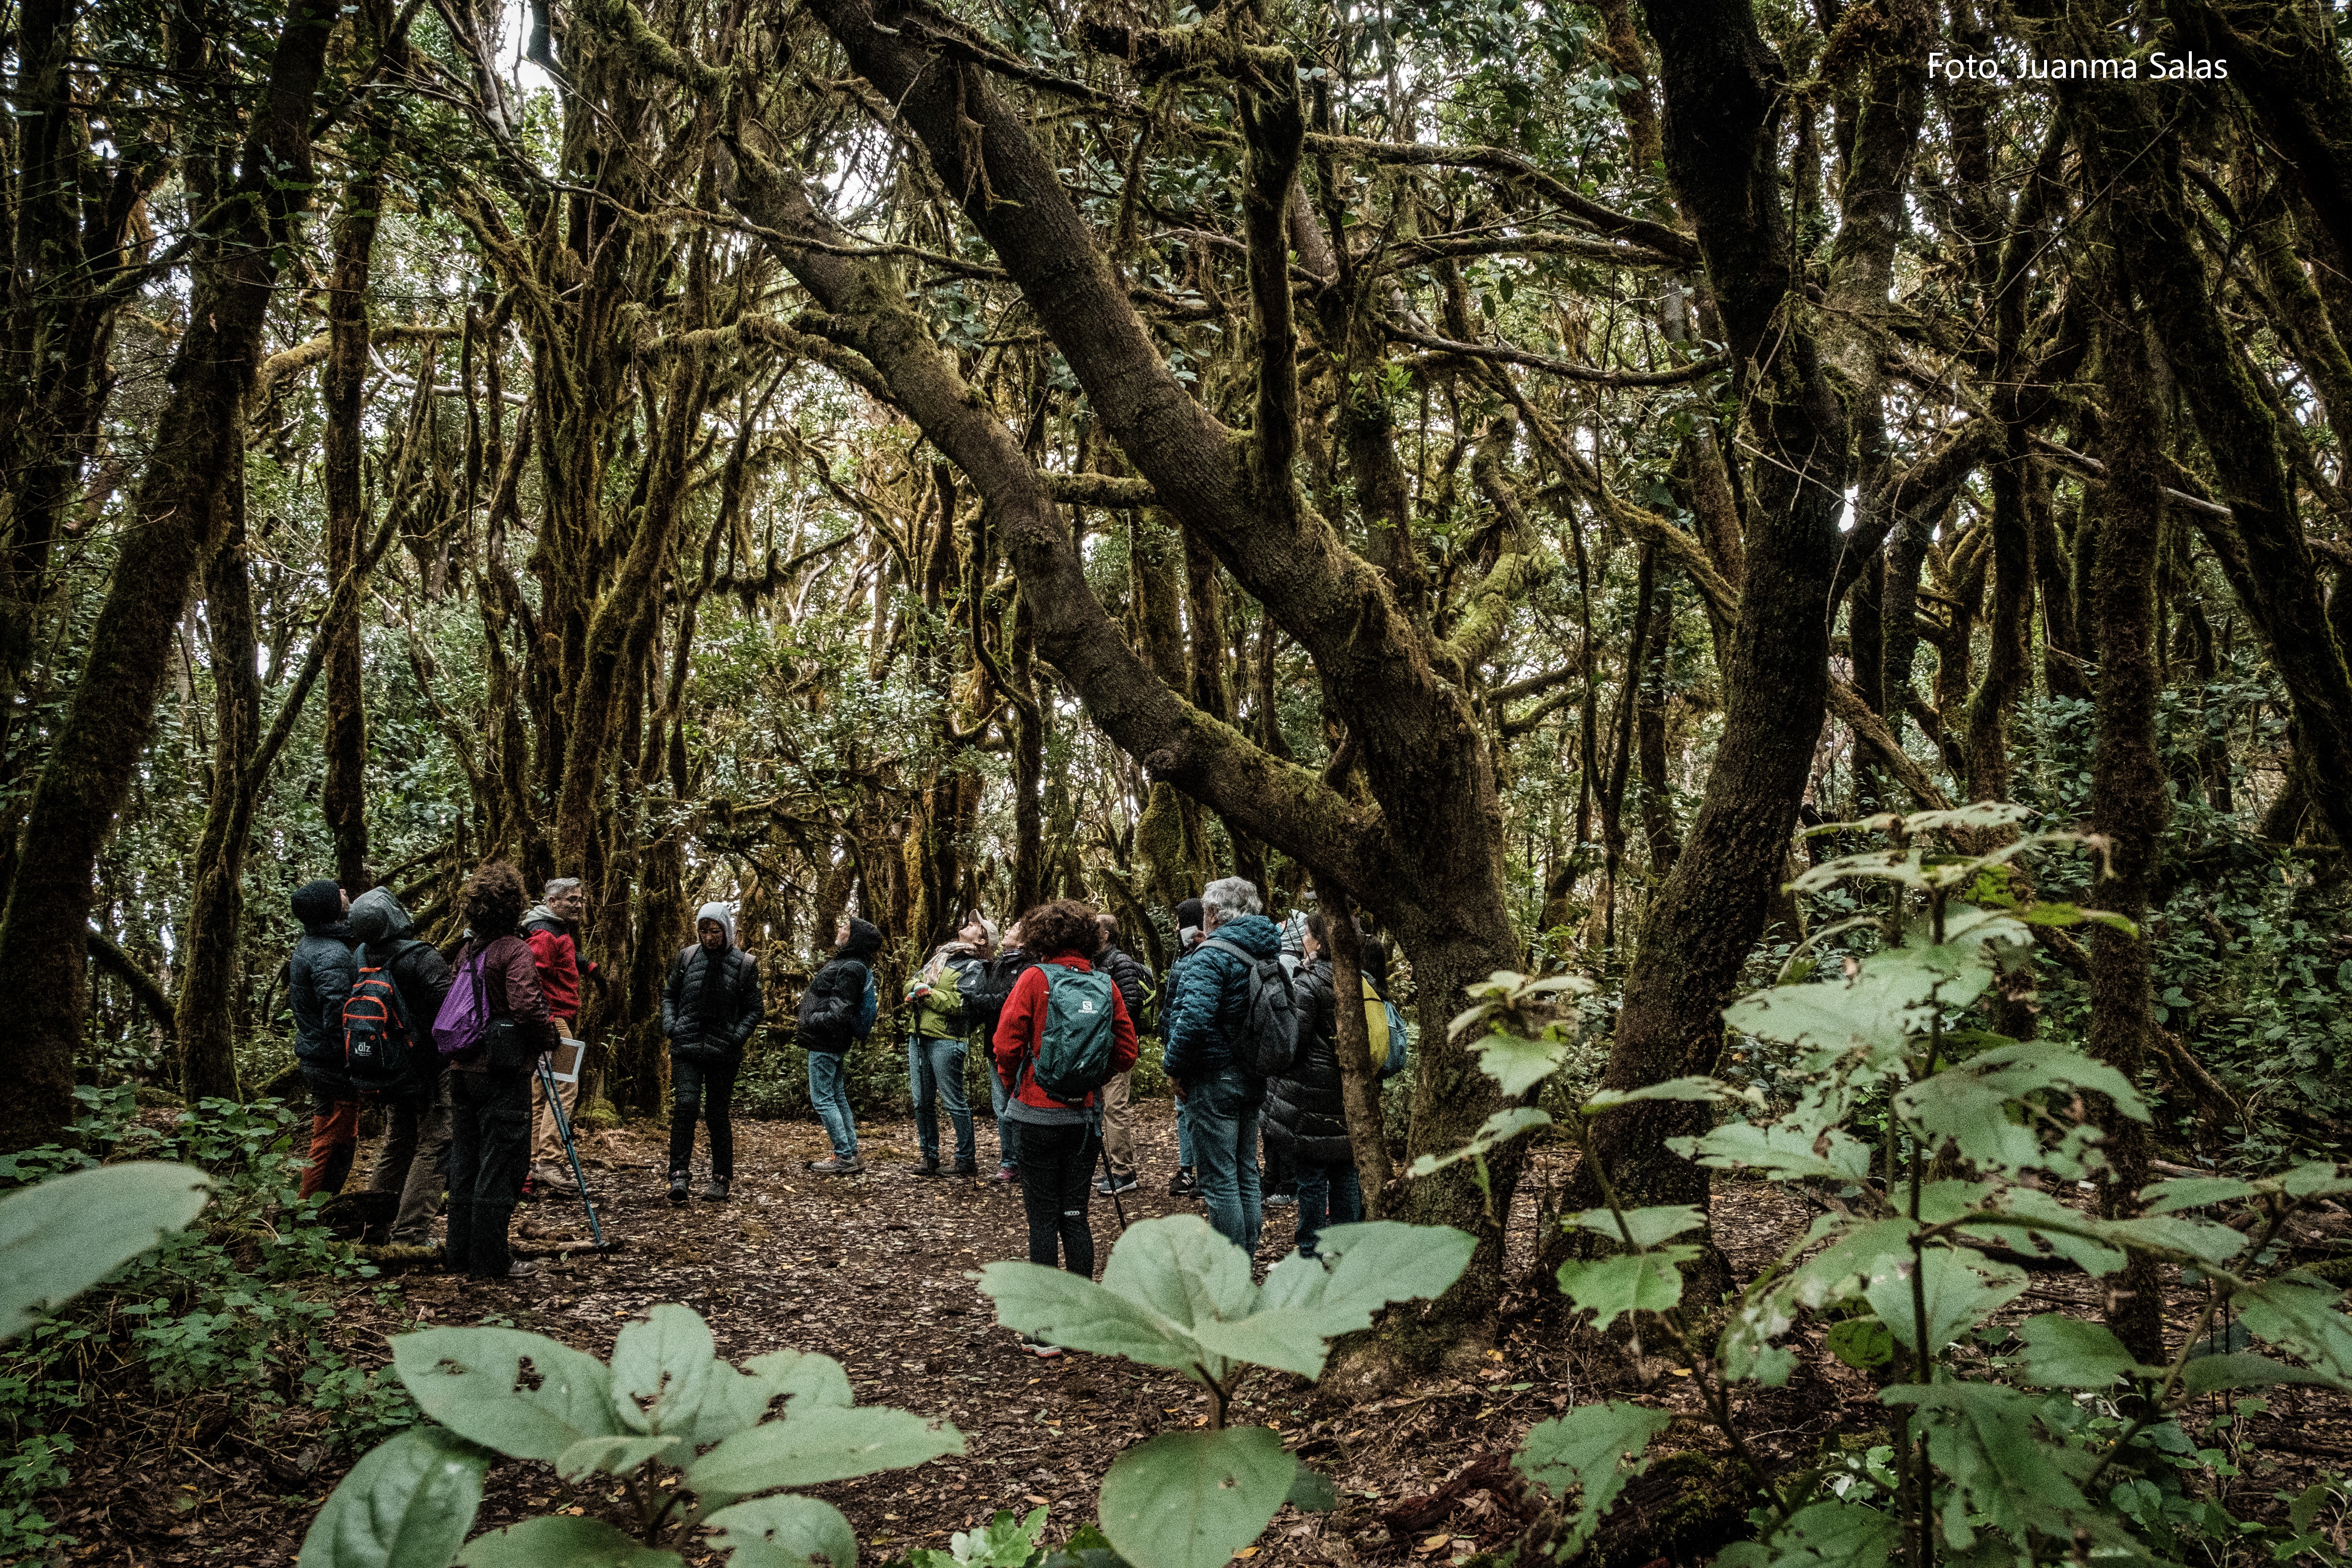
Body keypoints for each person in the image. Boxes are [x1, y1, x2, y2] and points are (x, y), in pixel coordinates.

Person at [991, 899, 1138, 1353]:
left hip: (1035, 1114)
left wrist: (1016, 1083)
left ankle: (1042, 1329)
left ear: (1042, 937)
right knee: (1075, 1215)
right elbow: (1127, 1051)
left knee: (1042, 1220)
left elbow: (1006, 1043)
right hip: (1083, 1119)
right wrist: (1091, 1081)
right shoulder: (1105, 983)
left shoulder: (1034, 979)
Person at [442, 861, 562, 1280]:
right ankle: (491, 1260)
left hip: (462, 1068)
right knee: (502, 1162)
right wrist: (548, 1036)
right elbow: (526, 1005)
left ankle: (459, 1254)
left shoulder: (467, 950)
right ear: (514, 906)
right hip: (501, 1070)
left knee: (466, 1160)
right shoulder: (513, 949)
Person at [1162, 877, 1283, 1257]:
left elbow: (1193, 1019)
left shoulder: (1211, 955)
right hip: (1253, 1074)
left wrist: (1174, 1068)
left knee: (1219, 1180)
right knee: (1246, 1170)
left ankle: (1232, 1268)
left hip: (1215, 1078)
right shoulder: (1264, 951)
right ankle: (1246, 1258)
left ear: (1213, 913)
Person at [348, 888, 455, 1246]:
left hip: (387, 1067)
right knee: (437, 1143)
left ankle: (373, 1230)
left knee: (397, 1144)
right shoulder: (421, 957)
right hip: (428, 1068)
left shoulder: (360, 956)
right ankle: (411, 1234)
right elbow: (451, 1013)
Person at [1262, 913, 1361, 1258]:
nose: (1302, 938)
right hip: (1350, 1094)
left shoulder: (1310, 983)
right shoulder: (1361, 980)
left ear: (1319, 941)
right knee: (1345, 1172)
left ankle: (1310, 1251)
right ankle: (1346, 1250)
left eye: (1306, 933)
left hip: (1311, 1097)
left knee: (1313, 1178)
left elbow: (1294, 1042)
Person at [662, 902, 764, 1203]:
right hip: (686, 1046)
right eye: (704, 931)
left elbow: (755, 1009)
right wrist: (672, 1026)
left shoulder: (745, 964)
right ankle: (678, 1177)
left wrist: (736, 1037)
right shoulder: (687, 957)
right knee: (686, 1107)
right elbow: (670, 996)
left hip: (724, 1052)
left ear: (726, 930)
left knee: (717, 1114)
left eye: (715, 931)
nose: (709, 937)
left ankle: (721, 1178)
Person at [522, 878, 596, 1198]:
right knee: (567, 1087)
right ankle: (549, 1162)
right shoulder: (546, 934)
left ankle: (533, 1165)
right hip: (554, 1024)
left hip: (550, 1022)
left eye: (580, 899)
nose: (578, 905)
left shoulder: (552, 930)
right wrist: (547, 1021)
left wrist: (589, 967)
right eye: (571, 900)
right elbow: (531, 976)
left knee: (541, 1093)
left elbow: (562, 957)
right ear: (552, 902)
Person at [905, 915, 994, 1177]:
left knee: (953, 1101)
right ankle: (929, 1157)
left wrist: (927, 993)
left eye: (977, 925)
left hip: (948, 1038)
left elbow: (962, 1004)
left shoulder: (975, 967)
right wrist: (919, 988)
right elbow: (910, 983)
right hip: (919, 1035)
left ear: (982, 940)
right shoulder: (940, 957)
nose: (971, 923)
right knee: (921, 1101)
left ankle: (966, 1161)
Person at [289, 878, 360, 1200]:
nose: (345, 893)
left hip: (321, 1058)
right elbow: (338, 1014)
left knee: (341, 1139)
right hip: (330, 1063)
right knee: (330, 1141)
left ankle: (322, 1209)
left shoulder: (316, 944)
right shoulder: (330, 953)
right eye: (338, 893)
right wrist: (354, 1057)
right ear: (329, 908)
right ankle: (305, 1215)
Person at [796, 915, 880, 1174]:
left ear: (854, 937)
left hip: (825, 1041)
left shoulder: (851, 967)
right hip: (831, 1040)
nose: (840, 928)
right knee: (837, 1097)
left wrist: (810, 1019)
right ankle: (850, 1152)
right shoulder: (850, 964)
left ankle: (844, 1156)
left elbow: (840, 1012)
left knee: (822, 1099)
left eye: (846, 927)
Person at [960, 922, 1034, 1184]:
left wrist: (974, 1000)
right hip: (996, 1044)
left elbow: (1007, 1000)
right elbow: (989, 997)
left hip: (1023, 1046)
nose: (1007, 931)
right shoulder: (999, 964)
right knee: (1002, 1106)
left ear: (1023, 941)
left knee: (1023, 1103)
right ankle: (1010, 1162)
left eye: (1014, 929)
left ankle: (1028, 1162)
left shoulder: (1030, 967)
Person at [1090, 913, 1150, 1196]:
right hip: (1098, 1047)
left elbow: (1130, 1005)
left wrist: (1108, 1032)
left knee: (1115, 1107)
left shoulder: (1121, 962)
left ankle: (1124, 1172)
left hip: (1116, 1047)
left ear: (1106, 935)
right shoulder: (1095, 963)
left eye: (1095, 927)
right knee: (1102, 1107)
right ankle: (1113, 1166)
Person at [1262, 913, 1309, 1212]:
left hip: (1283, 1057)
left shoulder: (1287, 963)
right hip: (1282, 1055)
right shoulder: (1290, 962)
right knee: (1274, 1121)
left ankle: (1286, 1184)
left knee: (1279, 1123)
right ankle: (1273, 1180)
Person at [1165, 898, 1205, 1197]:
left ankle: (1204, 1172)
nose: (1177, 927)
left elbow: (1192, 1012)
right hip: (1177, 1043)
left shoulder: (1201, 957)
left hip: (1193, 1052)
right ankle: (1187, 1168)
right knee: (1184, 1111)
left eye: (1180, 921)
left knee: (1196, 1112)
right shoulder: (1183, 956)